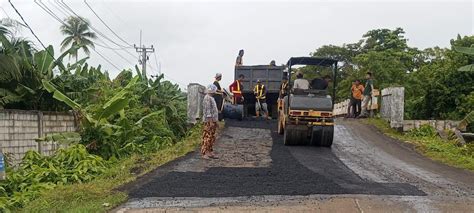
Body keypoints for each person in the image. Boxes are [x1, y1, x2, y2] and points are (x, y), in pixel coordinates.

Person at [201, 84, 219, 159]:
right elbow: (208, 111)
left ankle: (210, 151)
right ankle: (205, 152)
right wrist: (210, 121)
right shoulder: (207, 98)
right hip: (209, 121)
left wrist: (215, 121)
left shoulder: (211, 98)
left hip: (213, 120)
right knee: (207, 136)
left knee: (212, 137)